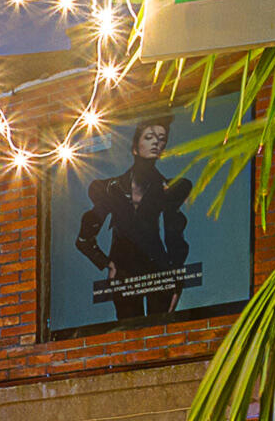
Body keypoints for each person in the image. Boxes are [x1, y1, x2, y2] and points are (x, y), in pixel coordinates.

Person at [73, 116, 193, 320]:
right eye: (149, 137)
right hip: (124, 272)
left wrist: (177, 279)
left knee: (159, 330)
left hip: (158, 269)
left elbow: (175, 238)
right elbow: (84, 239)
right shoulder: (110, 189)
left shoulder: (168, 189)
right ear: (135, 147)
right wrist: (107, 263)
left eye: (161, 139)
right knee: (128, 331)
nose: (156, 142)